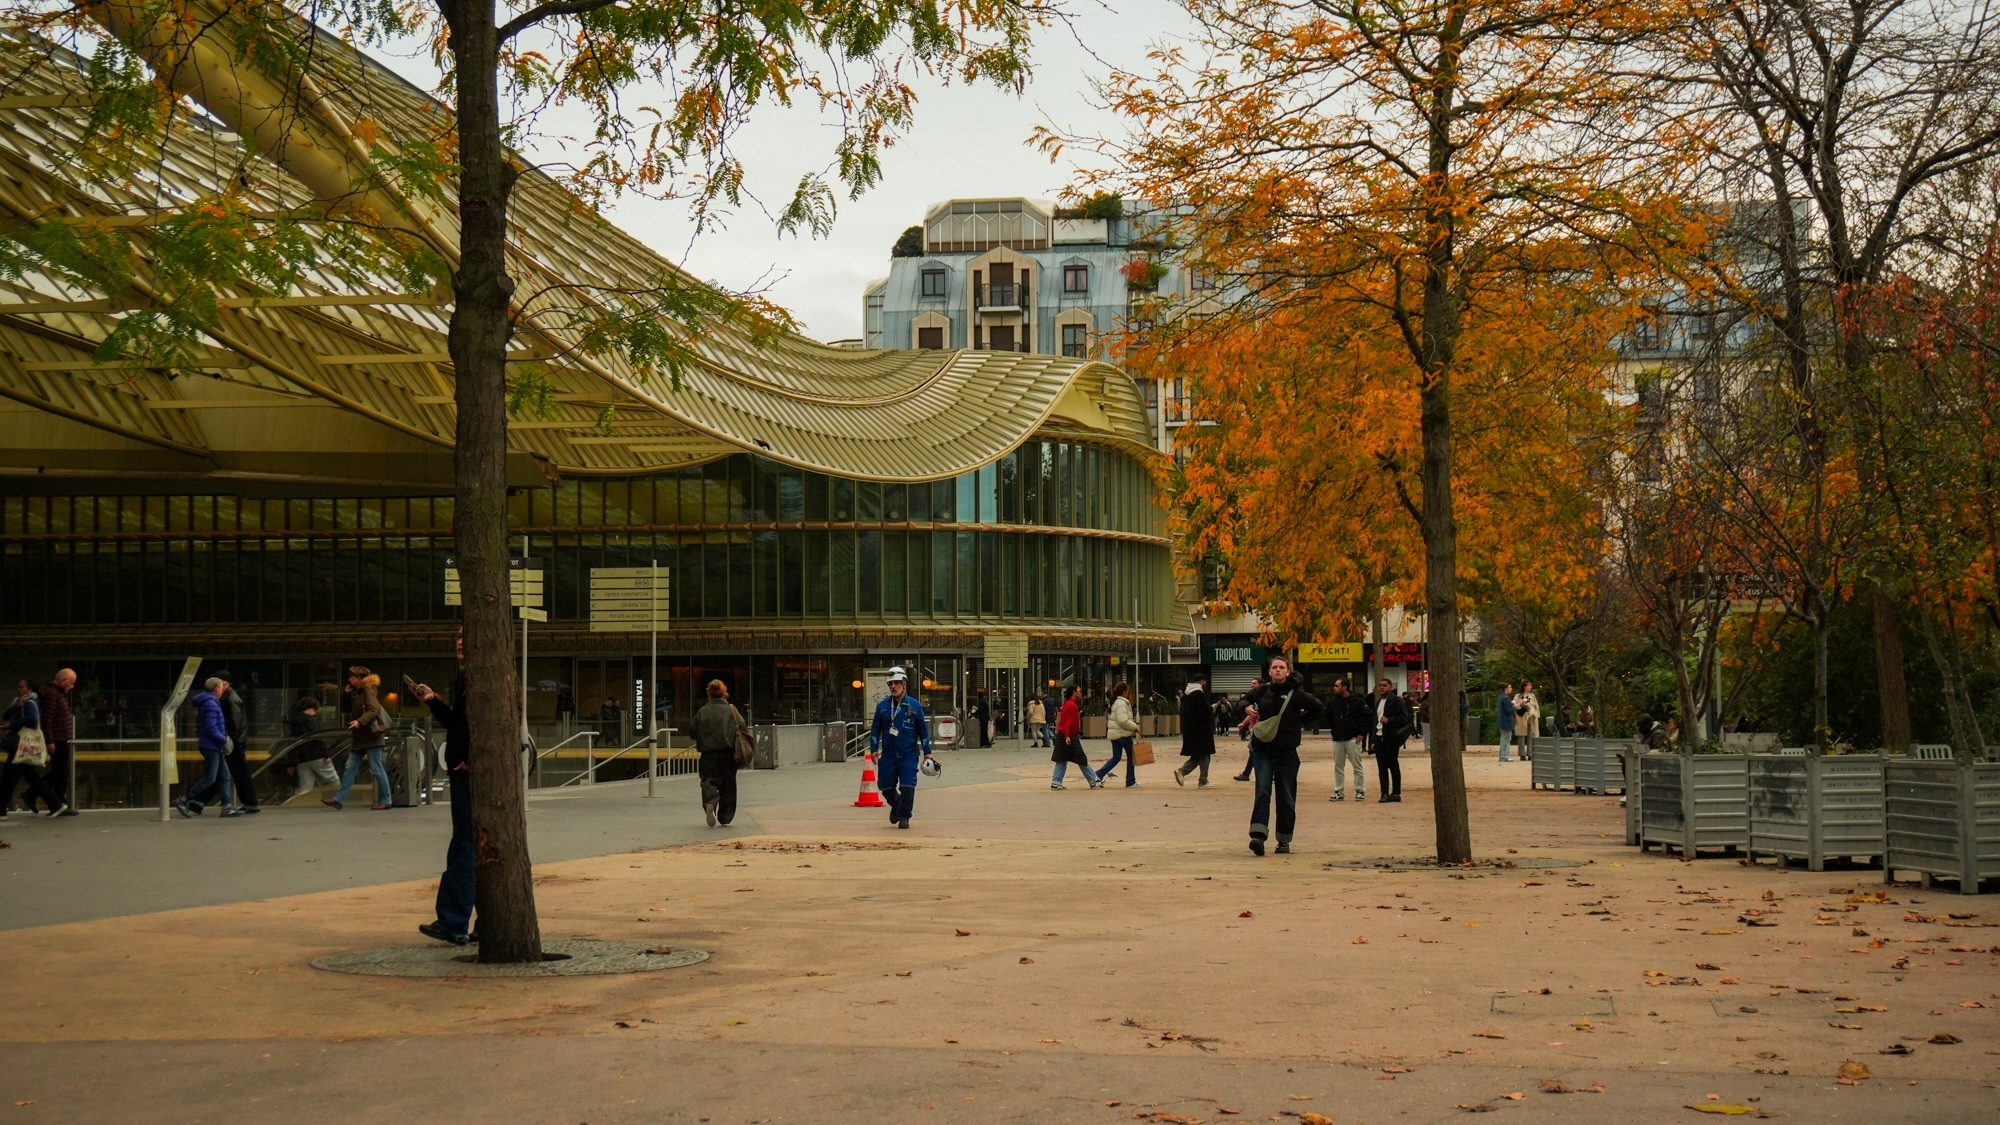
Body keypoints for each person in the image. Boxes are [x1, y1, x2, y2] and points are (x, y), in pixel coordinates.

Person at [411, 632, 475, 945]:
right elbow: (460, 723)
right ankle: (479, 921)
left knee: (465, 845)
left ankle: (453, 921)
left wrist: (468, 758)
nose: (460, 642)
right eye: (457, 637)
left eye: (466, 636)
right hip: (467, 768)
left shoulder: (476, 677)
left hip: (468, 772)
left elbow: (481, 724)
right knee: (474, 844)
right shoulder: (470, 676)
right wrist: (433, 701)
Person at [1241, 656, 1323, 855]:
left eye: (1281, 667)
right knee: (1262, 791)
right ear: (1269, 672)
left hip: (1287, 752)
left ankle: (1284, 840)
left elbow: (1319, 708)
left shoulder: (1298, 694)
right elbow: (1244, 699)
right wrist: (1246, 708)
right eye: (1274, 667)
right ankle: (1258, 836)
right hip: (1262, 750)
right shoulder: (1262, 690)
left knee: (1285, 795)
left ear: (1288, 671)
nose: (1278, 670)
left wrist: (1300, 721)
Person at [868, 666, 934, 828]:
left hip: (908, 754)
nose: (893, 686)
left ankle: (904, 816)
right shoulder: (882, 707)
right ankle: (897, 805)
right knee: (885, 786)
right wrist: (874, 748)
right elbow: (875, 729)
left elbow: (923, 731)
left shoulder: (915, 706)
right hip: (888, 754)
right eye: (890, 683)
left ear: (904, 684)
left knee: (907, 786)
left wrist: (928, 752)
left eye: (897, 683)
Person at [187, 670, 259, 814]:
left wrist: (226, 739)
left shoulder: (230, 698)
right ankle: (203, 802)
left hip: (231, 740)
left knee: (230, 772)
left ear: (224, 684)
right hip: (226, 740)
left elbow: (234, 722)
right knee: (223, 773)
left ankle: (196, 801)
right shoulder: (221, 698)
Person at [325, 666, 393, 811]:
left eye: (352, 677)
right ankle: (339, 799)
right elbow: (346, 709)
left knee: (377, 768)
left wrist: (359, 722)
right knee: (350, 768)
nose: (349, 679)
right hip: (361, 738)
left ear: (360, 678)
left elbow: (373, 710)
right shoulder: (358, 692)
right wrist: (346, 694)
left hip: (371, 737)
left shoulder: (368, 690)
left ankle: (386, 800)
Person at [1, 679, 68, 818]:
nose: (18, 689)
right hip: (21, 746)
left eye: (21, 687)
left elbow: (33, 718)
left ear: (29, 689)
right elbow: (5, 715)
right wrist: (16, 706)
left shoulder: (30, 702)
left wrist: (13, 725)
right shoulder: (19, 702)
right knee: (31, 777)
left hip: (21, 744)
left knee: (9, 778)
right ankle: (56, 804)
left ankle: (1, 808)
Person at [178, 678, 242, 818]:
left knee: (224, 776)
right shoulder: (211, 704)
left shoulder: (209, 702)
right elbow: (211, 728)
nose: (222, 689)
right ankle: (183, 799)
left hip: (214, 746)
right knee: (210, 778)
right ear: (216, 688)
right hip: (212, 746)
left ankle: (227, 807)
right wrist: (224, 740)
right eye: (221, 687)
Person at [693, 679, 751, 828]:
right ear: (724, 693)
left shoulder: (702, 711)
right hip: (728, 753)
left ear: (709, 693)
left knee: (708, 780)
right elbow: (743, 727)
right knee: (728, 783)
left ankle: (710, 803)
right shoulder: (731, 710)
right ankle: (725, 816)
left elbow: (692, 731)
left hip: (708, 754)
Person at [38, 668, 77, 816]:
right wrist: (50, 741)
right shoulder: (52, 694)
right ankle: (58, 803)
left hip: (60, 737)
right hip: (58, 738)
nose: (72, 686)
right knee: (61, 773)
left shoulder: (55, 694)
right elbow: (47, 719)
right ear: (63, 680)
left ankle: (35, 794)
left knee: (59, 772)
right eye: (71, 682)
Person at [1324, 678, 1369, 802]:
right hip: (1337, 738)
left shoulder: (1357, 701)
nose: (1334, 688)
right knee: (1338, 767)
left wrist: (1361, 732)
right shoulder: (1332, 702)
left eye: (1337, 686)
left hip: (1353, 738)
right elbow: (1328, 716)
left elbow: (1367, 716)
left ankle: (1360, 790)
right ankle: (1339, 791)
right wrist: (1334, 727)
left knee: (1357, 766)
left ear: (1345, 687)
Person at [1371, 678, 1413, 803]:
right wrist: (1372, 740)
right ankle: (1384, 793)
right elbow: (1375, 722)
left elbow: (1404, 718)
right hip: (1379, 737)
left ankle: (1396, 793)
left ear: (1390, 687)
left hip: (1391, 738)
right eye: (1380, 685)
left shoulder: (1397, 701)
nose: (1381, 687)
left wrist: (1389, 720)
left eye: (1384, 685)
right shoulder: (1379, 702)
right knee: (1382, 767)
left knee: (1393, 765)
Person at [286, 694, 339, 791]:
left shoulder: (294, 722)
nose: (315, 713)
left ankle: (303, 801)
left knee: (305, 787)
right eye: (314, 710)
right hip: (316, 755)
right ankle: (336, 798)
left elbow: (291, 743)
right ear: (311, 708)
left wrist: (291, 763)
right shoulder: (312, 720)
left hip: (302, 759)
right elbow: (319, 738)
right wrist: (326, 755)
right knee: (333, 780)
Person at [1050, 684, 1099, 789]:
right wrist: (1067, 736)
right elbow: (1068, 722)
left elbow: (1064, 721)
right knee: (1080, 758)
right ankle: (1093, 779)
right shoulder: (1072, 705)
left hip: (1065, 734)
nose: (1080, 693)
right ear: (1074, 692)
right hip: (1070, 735)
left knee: (1062, 759)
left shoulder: (1067, 704)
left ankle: (1056, 781)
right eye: (1079, 691)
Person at [1095, 682, 1141, 787]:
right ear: (1124, 692)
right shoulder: (1122, 704)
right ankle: (1130, 781)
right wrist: (1134, 727)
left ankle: (1099, 774)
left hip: (1114, 734)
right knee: (1131, 756)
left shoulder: (1114, 702)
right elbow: (1122, 721)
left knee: (1116, 757)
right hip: (1123, 734)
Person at [1174, 679, 1215, 786]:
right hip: (1201, 731)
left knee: (1197, 756)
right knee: (1205, 754)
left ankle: (1182, 771)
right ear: (1203, 682)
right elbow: (1204, 711)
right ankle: (1203, 781)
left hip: (1190, 730)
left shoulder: (1186, 695)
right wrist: (1211, 708)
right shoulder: (1198, 694)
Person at [1231, 676, 1263, 781]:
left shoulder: (1264, 697)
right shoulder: (1253, 698)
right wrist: (1243, 723)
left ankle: (1247, 774)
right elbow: (1252, 714)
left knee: (1254, 751)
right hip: (1256, 729)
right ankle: (1247, 774)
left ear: (1260, 685)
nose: (1251, 685)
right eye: (1251, 683)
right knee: (1253, 751)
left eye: (1254, 683)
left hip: (1263, 729)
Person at [1515, 681, 1542, 762]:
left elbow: (1536, 707)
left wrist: (1536, 715)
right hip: (1522, 718)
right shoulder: (1518, 696)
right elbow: (1514, 706)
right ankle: (1522, 754)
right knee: (1521, 735)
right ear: (1524, 686)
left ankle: (1530, 754)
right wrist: (1521, 704)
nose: (1530, 686)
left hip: (1531, 718)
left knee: (1531, 735)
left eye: (1530, 685)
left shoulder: (1532, 696)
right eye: (1528, 685)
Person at [1495, 682, 1517, 763]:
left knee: (1504, 738)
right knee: (1506, 739)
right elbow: (1508, 710)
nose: (1511, 689)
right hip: (1506, 721)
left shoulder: (1501, 697)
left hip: (1502, 721)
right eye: (1510, 687)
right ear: (1505, 689)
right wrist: (1514, 706)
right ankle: (1504, 756)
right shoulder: (1505, 698)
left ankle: (1503, 755)